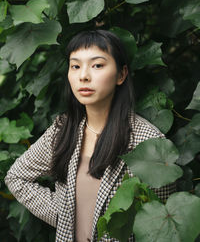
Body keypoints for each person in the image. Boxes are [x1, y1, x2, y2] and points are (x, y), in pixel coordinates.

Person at [5, 30, 176, 242]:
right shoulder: (63, 130)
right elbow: (16, 177)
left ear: (121, 75)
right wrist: (64, 217)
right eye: (75, 66)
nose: (83, 75)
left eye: (97, 65)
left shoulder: (148, 142)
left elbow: (159, 227)